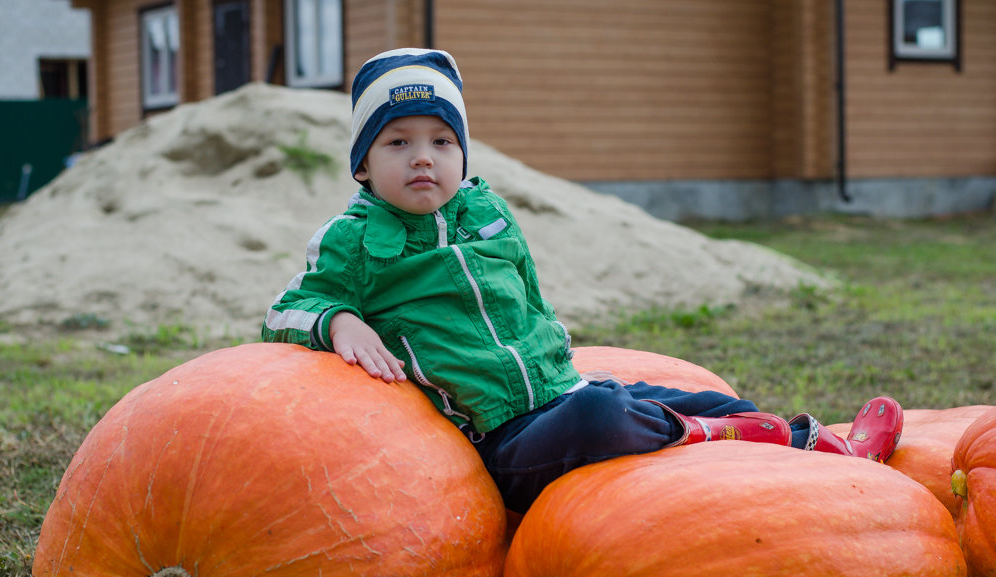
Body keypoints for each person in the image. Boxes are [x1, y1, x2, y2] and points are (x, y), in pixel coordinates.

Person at [262, 48, 903, 513]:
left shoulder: (485, 212)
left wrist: (559, 357)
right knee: (604, 415)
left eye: (441, 140)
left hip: (561, 388)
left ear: (462, 152)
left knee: (693, 396)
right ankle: (712, 440)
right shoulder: (353, 238)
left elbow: (533, 298)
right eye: (397, 143)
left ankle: (828, 449)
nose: (423, 156)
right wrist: (337, 319)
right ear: (364, 166)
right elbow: (285, 310)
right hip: (497, 441)